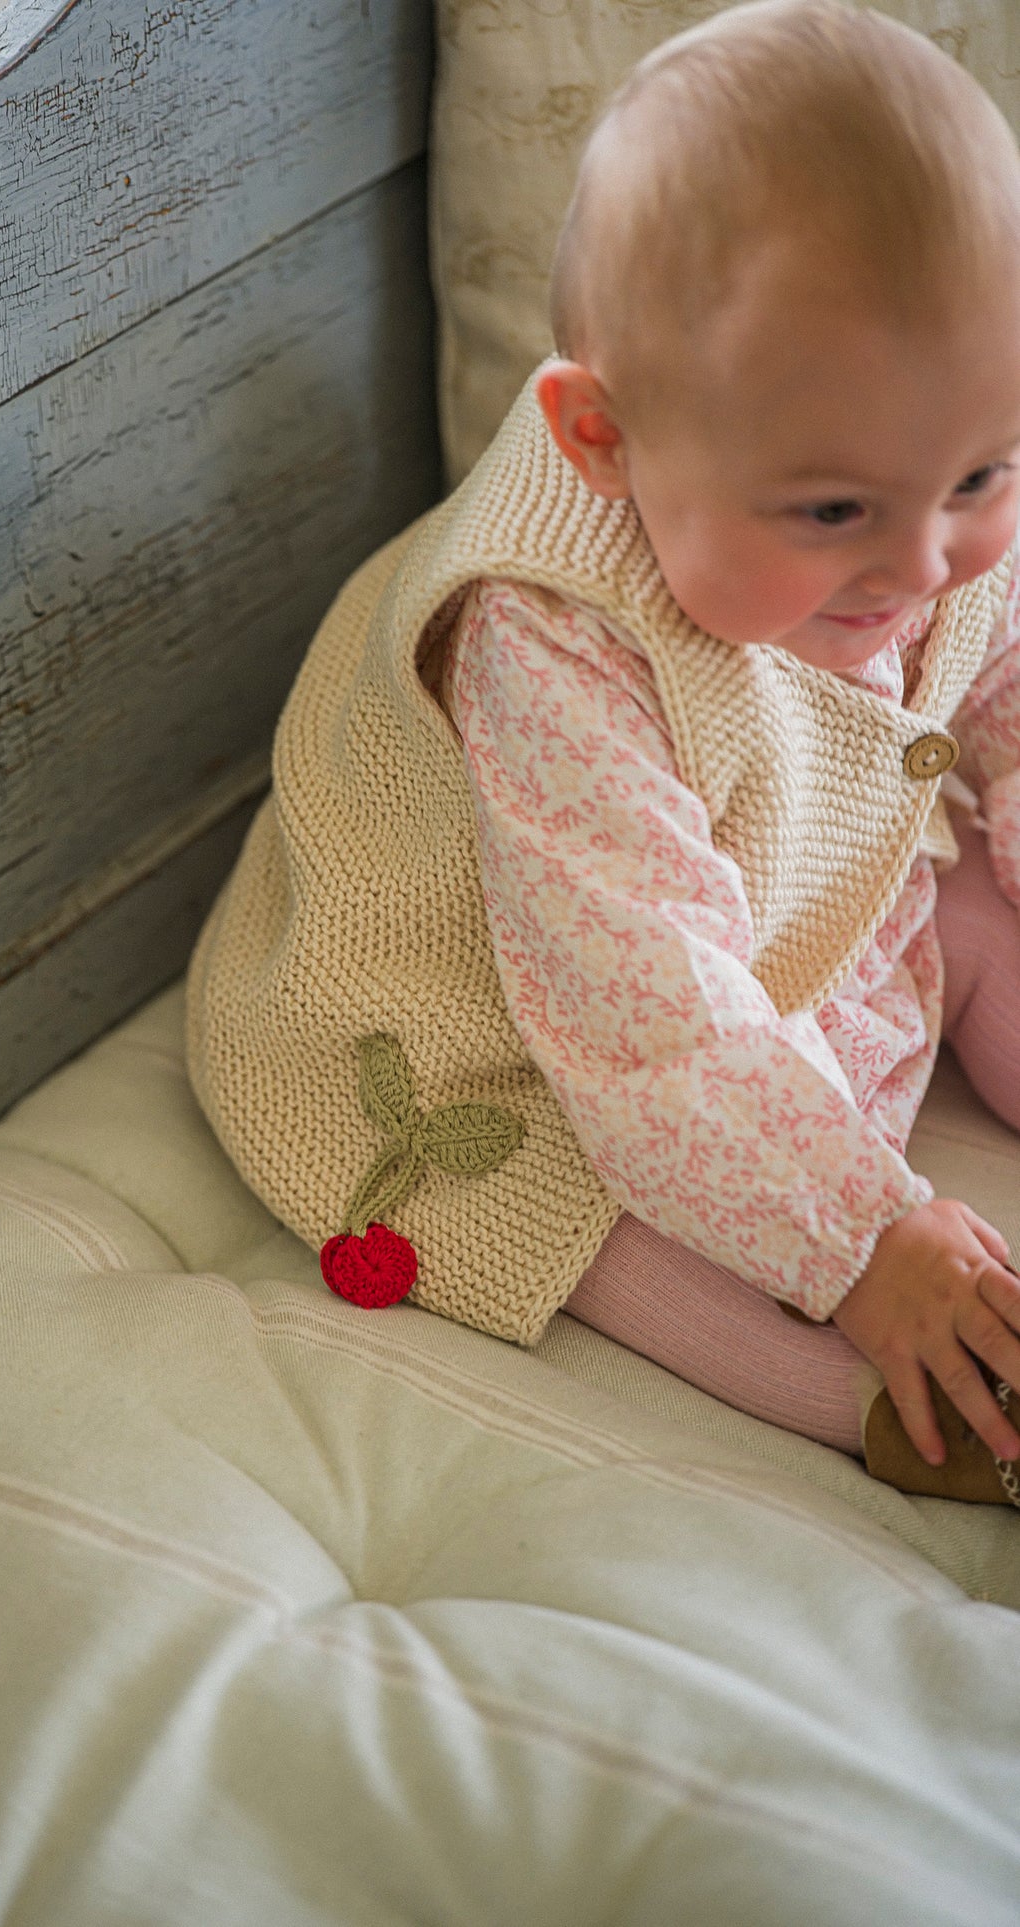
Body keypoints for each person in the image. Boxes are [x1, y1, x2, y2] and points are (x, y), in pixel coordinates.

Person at [187, 0, 1020, 1504]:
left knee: (961, 890)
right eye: (832, 512)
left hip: (773, 880)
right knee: (578, 1215)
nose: (925, 561)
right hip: (522, 1006)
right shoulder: (547, 640)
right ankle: (893, 1413)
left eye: (981, 474)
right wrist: (864, 1239)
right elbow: (650, 1031)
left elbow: (1003, 677)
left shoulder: (919, 474)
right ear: (603, 442)